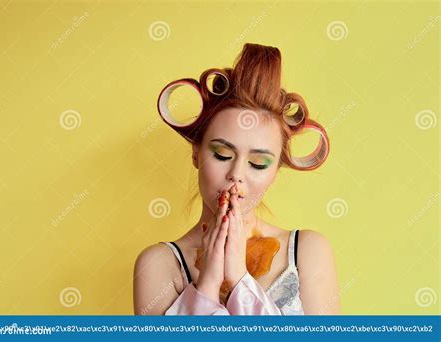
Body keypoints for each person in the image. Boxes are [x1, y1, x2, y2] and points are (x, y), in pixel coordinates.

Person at [134, 43, 340, 315]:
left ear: (275, 171)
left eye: (258, 163)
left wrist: (238, 282)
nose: (236, 175)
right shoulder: (158, 265)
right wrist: (207, 284)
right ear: (196, 154)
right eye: (221, 154)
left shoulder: (308, 252)